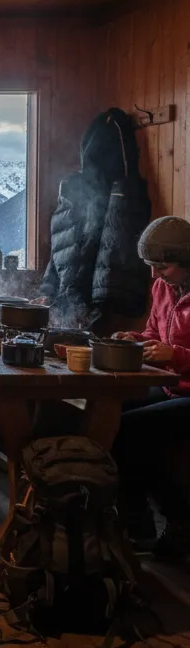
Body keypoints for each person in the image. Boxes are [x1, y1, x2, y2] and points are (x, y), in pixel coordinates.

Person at [111, 216, 190, 558]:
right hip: (173, 386)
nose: (156, 274)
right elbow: (156, 335)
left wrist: (175, 355)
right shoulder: (163, 287)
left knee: (131, 430)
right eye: (151, 266)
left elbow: (171, 349)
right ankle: (136, 521)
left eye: (164, 266)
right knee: (107, 415)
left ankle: (179, 522)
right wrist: (136, 340)